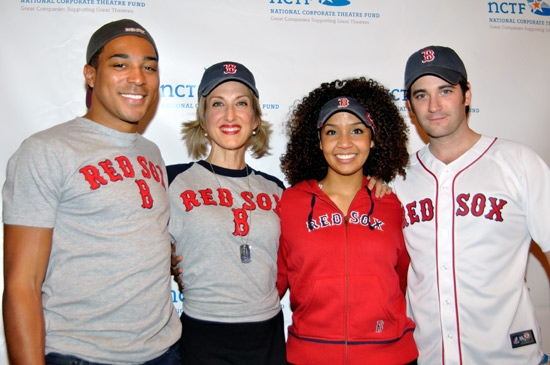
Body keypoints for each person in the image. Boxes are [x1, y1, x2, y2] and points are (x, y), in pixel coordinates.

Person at [2, 19, 181, 364]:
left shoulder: (152, 152)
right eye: (120, 64)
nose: (138, 78)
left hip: (164, 351)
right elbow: (22, 283)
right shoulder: (46, 150)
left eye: (149, 67)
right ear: (90, 75)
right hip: (81, 355)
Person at [393, 45, 550, 364]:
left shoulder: (518, 162)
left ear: (467, 95)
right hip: (428, 357)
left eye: (445, 90)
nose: (434, 105)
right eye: (421, 95)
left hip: (509, 357)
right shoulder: (398, 178)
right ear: (409, 106)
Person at [276, 77, 418, 364]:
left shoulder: (392, 203)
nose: (344, 143)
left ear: (373, 138)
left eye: (356, 130)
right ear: (318, 141)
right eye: (331, 132)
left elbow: (404, 279)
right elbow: (273, 283)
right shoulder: (289, 203)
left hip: (390, 354)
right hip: (309, 355)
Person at [167, 61, 287, 364]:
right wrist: (163, 256)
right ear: (203, 119)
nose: (230, 115)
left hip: (268, 334)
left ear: (256, 118)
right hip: (203, 334)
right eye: (218, 103)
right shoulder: (171, 181)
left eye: (241, 103)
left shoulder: (276, 188)